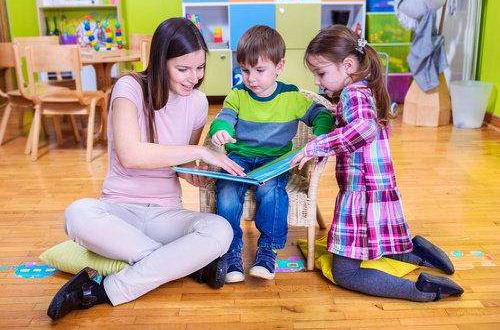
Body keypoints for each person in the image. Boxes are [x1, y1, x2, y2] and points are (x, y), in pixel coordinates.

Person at [46, 17, 247, 321]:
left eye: (200, 67)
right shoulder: (129, 87)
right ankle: (188, 265)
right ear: (160, 61)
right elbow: (130, 155)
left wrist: (196, 173)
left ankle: (100, 291)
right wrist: (197, 150)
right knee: (76, 213)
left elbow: (179, 163)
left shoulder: (198, 103)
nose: (193, 77)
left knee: (219, 230)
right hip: (118, 210)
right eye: (183, 69)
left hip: (165, 213)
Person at [290, 25, 463, 302]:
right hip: (376, 188)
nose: (316, 81)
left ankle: (422, 291)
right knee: (371, 242)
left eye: (320, 73)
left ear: (347, 65)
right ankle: (414, 251)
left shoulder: (352, 94)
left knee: (345, 272)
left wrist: (317, 146)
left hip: (362, 193)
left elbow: (365, 129)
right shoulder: (365, 87)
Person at [209, 25, 334, 283]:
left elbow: (321, 114)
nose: (251, 78)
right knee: (227, 192)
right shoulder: (238, 94)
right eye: (245, 70)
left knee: (272, 194)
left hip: (274, 161)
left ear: (279, 66)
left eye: (259, 70)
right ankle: (231, 250)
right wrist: (220, 130)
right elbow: (224, 117)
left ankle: (268, 250)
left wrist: (321, 134)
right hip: (239, 159)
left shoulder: (291, 96)